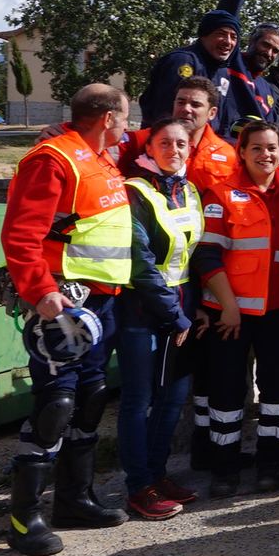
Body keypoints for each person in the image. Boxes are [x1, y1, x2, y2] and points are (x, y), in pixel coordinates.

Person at [0, 84, 134, 556]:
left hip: (100, 305)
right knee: (55, 404)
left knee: (91, 398)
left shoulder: (99, 158)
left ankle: (75, 499)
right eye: (124, 117)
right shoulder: (53, 159)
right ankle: (24, 516)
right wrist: (40, 292)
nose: (128, 126)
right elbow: (21, 234)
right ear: (106, 119)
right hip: (63, 305)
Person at [192, 120, 279, 496]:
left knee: (276, 387)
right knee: (226, 389)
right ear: (241, 152)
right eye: (256, 148)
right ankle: (224, 467)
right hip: (229, 313)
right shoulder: (221, 193)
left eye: (272, 147)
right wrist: (227, 306)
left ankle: (271, 461)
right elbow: (207, 255)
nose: (266, 154)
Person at [113, 117, 204, 521]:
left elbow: (192, 257)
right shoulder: (134, 191)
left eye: (181, 143)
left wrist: (195, 308)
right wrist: (175, 316)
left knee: (172, 399)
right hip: (142, 312)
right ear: (148, 149)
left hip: (181, 310)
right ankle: (138, 486)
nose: (174, 149)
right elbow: (141, 263)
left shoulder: (189, 190)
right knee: (138, 401)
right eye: (164, 143)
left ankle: (158, 474)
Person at [140, 0, 271, 132]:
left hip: (203, 154)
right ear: (204, 35)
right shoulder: (183, 61)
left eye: (233, 37)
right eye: (221, 34)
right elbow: (165, 118)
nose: (228, 42)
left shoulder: (223, 72)